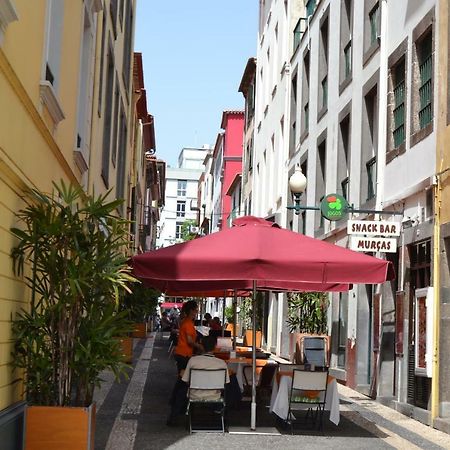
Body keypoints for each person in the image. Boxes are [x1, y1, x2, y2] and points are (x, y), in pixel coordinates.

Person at [181, 335, 230, 401]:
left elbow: (186, 380)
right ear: (215, 347)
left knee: (180, 385)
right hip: (214, 396)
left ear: (201, 346)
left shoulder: (193, 360)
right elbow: (225, 383)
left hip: (194, 395)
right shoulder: (222, 363)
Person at [173, 300, 203, 373]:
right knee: (183, 377)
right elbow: (189, 341)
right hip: (184, 354)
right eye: (196, 310)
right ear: (191, 311)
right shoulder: (188, 323)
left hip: (181, 353)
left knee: (182, 376)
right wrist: (200, 346)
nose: (197, 312)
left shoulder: (185, 321)